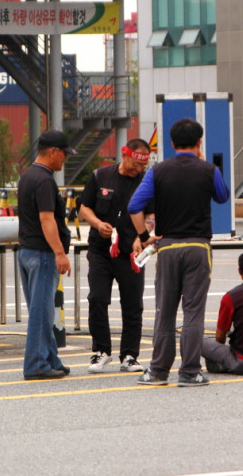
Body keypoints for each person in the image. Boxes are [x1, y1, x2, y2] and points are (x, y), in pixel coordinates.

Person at [128, 118, 230, 387]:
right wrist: (207, 166)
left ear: (172, 143)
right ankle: (190, 371)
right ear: (199, 142)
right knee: (193, 312)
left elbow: (134, 206)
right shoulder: (208, 170)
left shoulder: (158, 171)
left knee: (165, 311)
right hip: (197, 246)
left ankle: (158, 370)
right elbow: (222, 197)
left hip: (168, 247)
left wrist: (144, 237)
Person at [78, 138, 155, 373]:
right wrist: (97, 223)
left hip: (131, 252)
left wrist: (142, 236)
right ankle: (100, 351)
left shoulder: (146, 182)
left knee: (133, 303)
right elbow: (84, 207)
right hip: (100, 249)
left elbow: (151, 216)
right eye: (135, 164)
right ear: (125, 155)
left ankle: (130, 355)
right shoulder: (100, 176)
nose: (137, 169)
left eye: (142, 166)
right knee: (97, 298)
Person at [17, 129, 77, 381]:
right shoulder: (44, 181)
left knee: (40, 310)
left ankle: (51, 359)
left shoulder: (27, 176)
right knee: (42, 313)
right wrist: (60, 253)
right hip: (42, 253)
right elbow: (46, 219)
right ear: (53, 151)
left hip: (27, 250)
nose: (65, 159)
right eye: (64, 154)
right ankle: (37, 365)